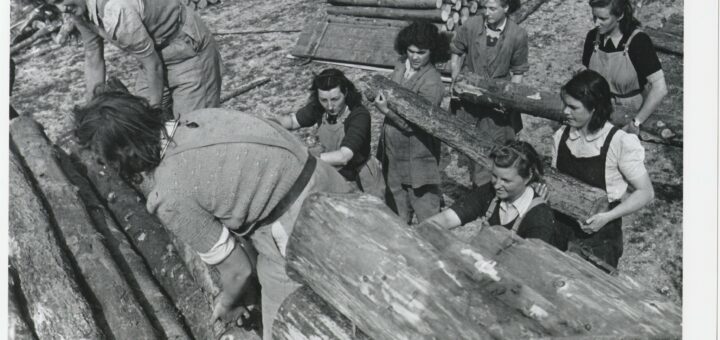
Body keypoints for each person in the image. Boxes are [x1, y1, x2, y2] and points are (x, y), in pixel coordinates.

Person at [73, 89, 352, 340]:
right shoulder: (199, 117)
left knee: (282, 327)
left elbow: (239, 270)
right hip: (327, 180)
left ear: (121, 156)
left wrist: (229, 303)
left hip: (298, 226)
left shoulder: (169, 196)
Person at [553, 70, 654, 270]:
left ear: (594, 109)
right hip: (561, 228)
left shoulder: (618, 142)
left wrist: (606, 217)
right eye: (565, 104)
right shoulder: (561, 136)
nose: (565, 111)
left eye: (573, 107)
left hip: (600, 236)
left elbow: (646, 193)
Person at [52, 0, 222, 117]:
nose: (62, 8)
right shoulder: (79, 9)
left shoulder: (116, 9)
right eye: (54, 3)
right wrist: (91, 108)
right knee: (143, 122)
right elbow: (92, 55)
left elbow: (153, 65)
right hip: (152, 56)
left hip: (185, 52)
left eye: (61, 0)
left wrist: (154, 113)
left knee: (192, 129)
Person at [374, 21, 450, 224]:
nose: (415, 57)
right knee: (396, 214)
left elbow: (415, 124)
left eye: (421, 52)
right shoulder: (401, 67)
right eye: (411, 51)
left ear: (432, 52)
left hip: (418, 156)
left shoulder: (432, 83)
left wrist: (386, 111)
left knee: (428, 217)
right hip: (393, 153)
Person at [449, 0, 529, 187]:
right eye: (485, 8)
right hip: (470, 97)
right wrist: (456, 79)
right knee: (472, 144)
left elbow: (518, 72)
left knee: (496, 146)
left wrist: (510, 101)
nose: (487, 13)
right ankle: (480, 189)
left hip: (497, 100)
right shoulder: (472, 25)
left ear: (506, 8)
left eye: (493, 9)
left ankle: (491, 190)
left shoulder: (517, 35)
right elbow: (456, 51)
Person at [426, 141, 561, 249]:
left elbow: (532, 268)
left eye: (506, 180)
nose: (497, 185)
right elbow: (448, 218)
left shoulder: (540, 218)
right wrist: (419, 231)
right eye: (494, 176)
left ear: (528, 177)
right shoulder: (490, 192)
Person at [273, 69, 384, 197]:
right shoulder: (319, 109)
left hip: (362, 177)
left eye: (335, 99)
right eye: (324, 100)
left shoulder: (359, 115)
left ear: (346, 92)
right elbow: (292, 122)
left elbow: (344, 157)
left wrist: (306, 159)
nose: (330, 106)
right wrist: (266, 122)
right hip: (334, 173)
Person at [583, 0, 668, 134]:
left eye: (603, 18)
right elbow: (587, 75)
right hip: (599, 109)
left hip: (630, 113)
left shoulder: (638, 41)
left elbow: (660, 88)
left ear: (620, 15)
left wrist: (636, 122)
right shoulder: (593, 37)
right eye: (594, 17)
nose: (596, 23)